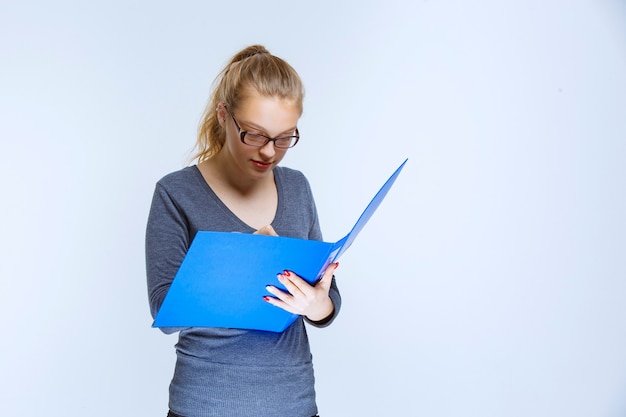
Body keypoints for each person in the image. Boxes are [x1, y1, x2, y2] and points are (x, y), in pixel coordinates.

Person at [145, 44, 341, 417]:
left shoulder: (298, 187)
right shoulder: (175, 192)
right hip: (204, 404)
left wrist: (318, 305)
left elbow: (328, 301)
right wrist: (238, 263)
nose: (270, 151)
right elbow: (164, 310)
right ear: (224, 116)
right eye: (255, 134)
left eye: (285, 138)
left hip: (293, 402)